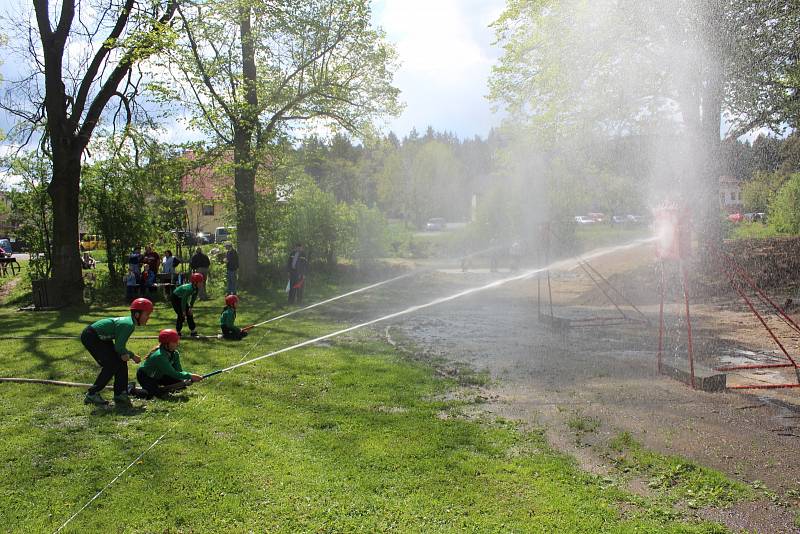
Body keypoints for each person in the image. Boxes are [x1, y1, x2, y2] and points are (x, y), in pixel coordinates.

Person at [81, 298, 153, 407]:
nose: (148, 318)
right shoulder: (128, 325)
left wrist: (124, 354)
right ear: (137, 315)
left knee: (119, 361)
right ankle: (92, 394)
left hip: (102, 338)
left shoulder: (129, 323)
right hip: (92, 336)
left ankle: (120, 393)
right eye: (147, 314)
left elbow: (119, 348)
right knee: (111, 364)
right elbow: (119, 347)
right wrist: (132, 356)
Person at [129, 329, 203, 399]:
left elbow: (178, 371)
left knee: (181, 385)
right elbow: (172, 373)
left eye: (177, 341)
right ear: (166, 343)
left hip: (160, 375)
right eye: (174, 342)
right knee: (151, 395)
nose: (177, 343)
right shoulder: (160, 356)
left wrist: (185, 380)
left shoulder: (175, 353)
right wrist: (190, 376)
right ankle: (131, 389)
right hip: (146, 376)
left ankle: (157, 388)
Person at [171, 272, 204, 337]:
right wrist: (183, 311)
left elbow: (193, 298)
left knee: (189, 314)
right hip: (175, 298)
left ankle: (193, 331)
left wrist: (190, 308)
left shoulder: (196, 288)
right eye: (200, 282)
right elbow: (184, 300)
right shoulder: (189, 289)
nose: (202, 283)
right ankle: (178, 332)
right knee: (181, 315)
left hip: (181, 298)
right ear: (195, 282)